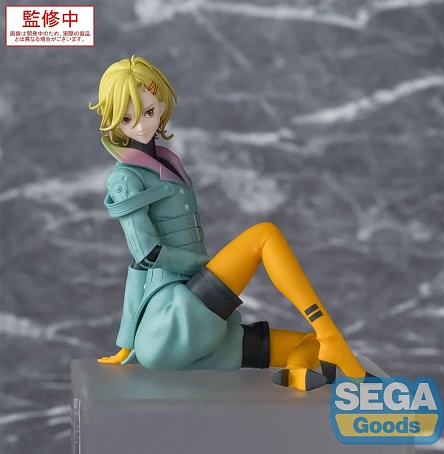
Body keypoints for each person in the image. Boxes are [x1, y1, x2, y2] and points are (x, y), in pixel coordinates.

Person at [88, 56, 370, 392]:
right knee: (264, 236)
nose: (140, 126)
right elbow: (146, 256)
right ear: (112, 120)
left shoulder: (165, 161)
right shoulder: (125, 178)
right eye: (127, 118)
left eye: (148, 112)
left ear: (161, 105)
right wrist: (207, 268)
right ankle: (331, 334)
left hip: (196, 322)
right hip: (172, 316)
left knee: (306, 344)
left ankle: (299, 367)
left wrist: (126, 344)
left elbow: (138, 266)